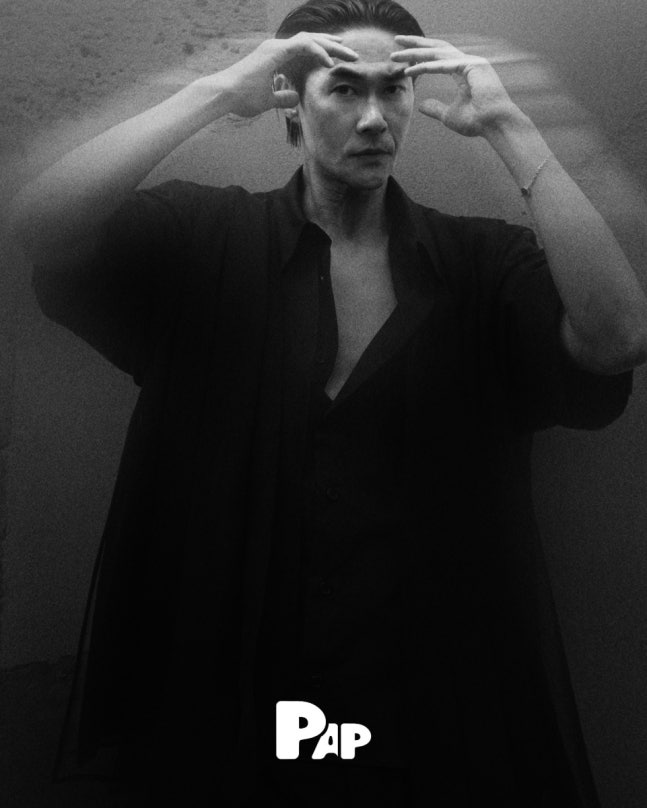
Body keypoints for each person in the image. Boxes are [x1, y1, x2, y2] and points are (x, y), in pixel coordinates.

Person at [9, 0, 647, 806]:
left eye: (393, 88)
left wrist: (510, 127)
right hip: (230, 681)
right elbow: (41, 228)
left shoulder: (480, 262)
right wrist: (218, 90)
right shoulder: (203, 237)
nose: (375, 117)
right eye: (344, 88)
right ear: (291, 101)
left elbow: (617, 337)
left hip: (426, 690)